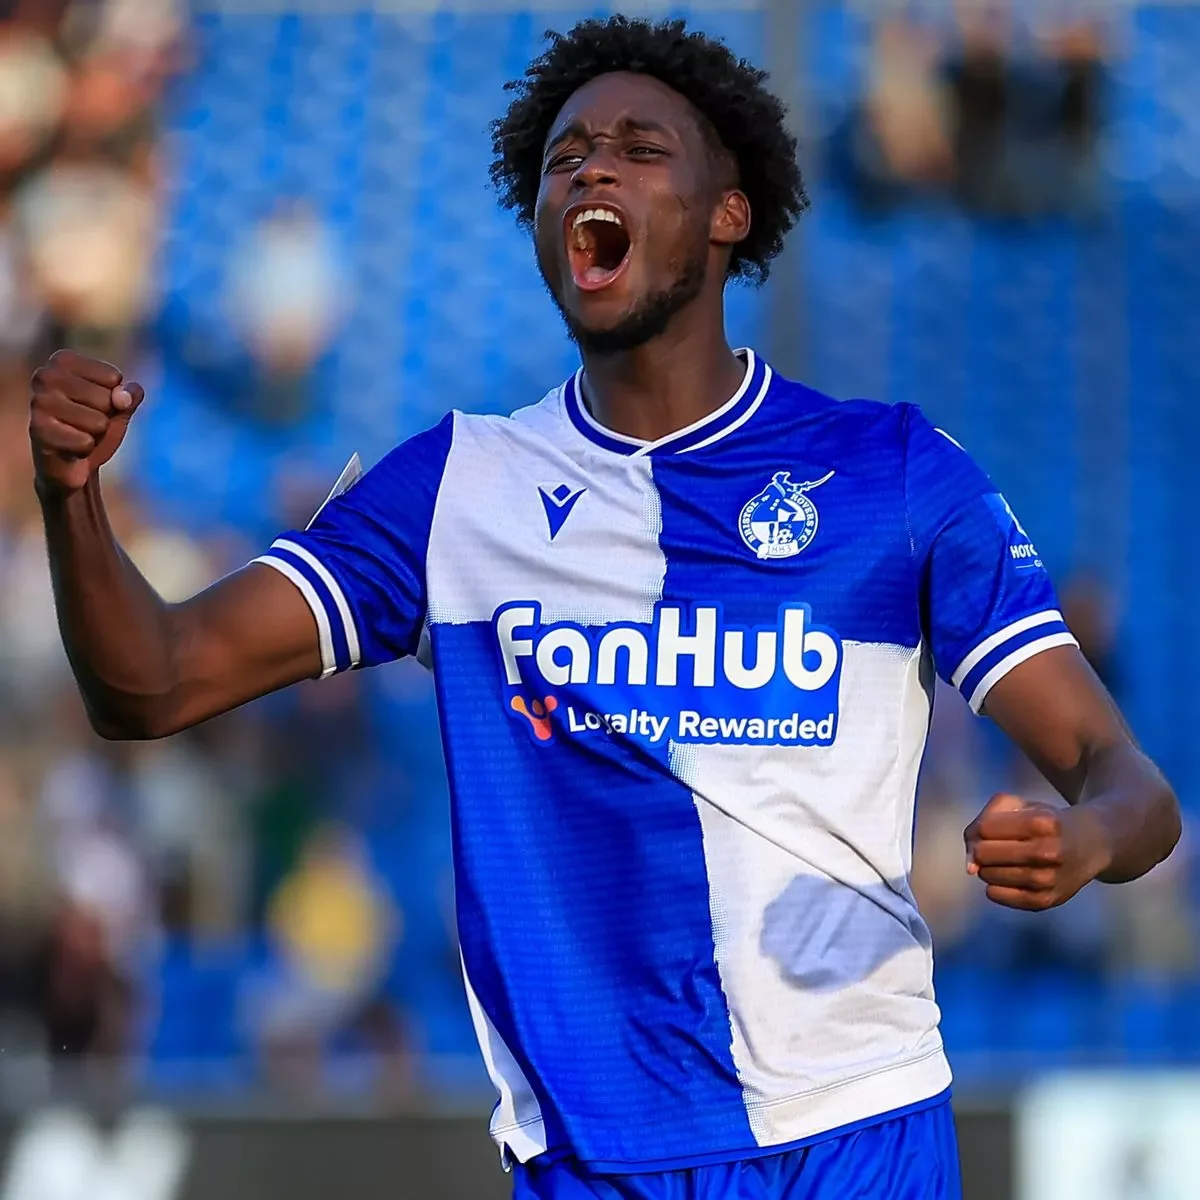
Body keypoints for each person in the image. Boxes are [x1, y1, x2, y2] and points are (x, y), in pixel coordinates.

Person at [27, 16, 1179, 1200]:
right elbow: (151, 684)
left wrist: (1089, 839)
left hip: (852, 1139)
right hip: (591, 1167)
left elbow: (1127, 781)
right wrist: (72, 498)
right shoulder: (457, 491)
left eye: (637, 148)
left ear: (729, 212)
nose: (590, 170)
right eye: (565, 157)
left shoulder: (890, 473)